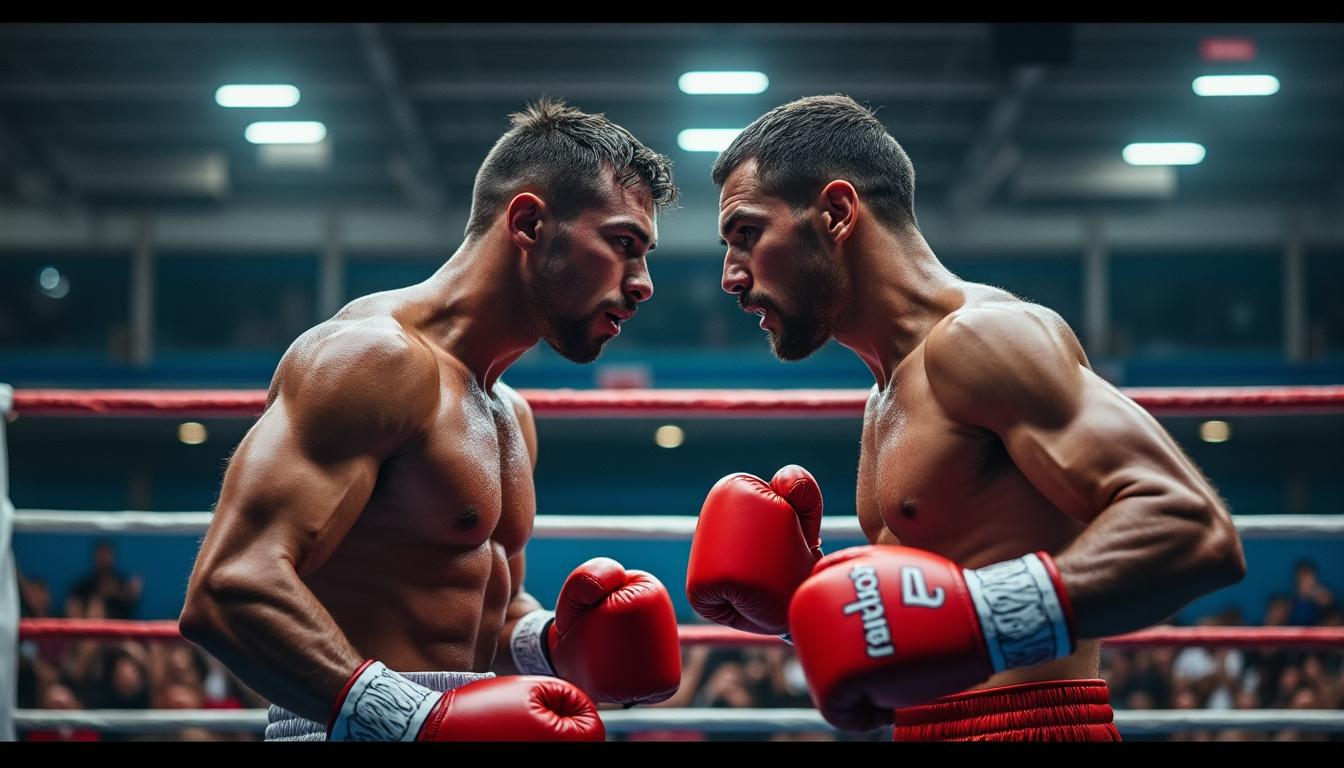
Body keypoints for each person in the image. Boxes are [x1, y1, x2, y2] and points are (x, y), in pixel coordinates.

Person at [686, 94, 1246, 741]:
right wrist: (806, 606)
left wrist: (981, 616)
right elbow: (932, 613)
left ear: (837, 213)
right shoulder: (886, 392)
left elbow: (1193, 527)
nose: (730, 276)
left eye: (747, 235)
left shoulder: (983, 338)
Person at [180, 99, 682, 742]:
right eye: (622, 244)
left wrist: (553, 644)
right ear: (528, 223)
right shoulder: (374, 360)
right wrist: (412, 719)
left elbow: (481, 623)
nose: (642, 283)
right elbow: (229, 587)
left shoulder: (510, 414)